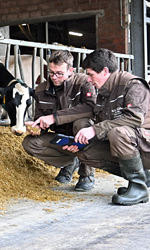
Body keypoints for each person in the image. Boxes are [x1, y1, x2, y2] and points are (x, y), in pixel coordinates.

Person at [67, 48, 150, 205]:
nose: (89, 80)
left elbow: (134, 119)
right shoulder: (104, 93)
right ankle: (140, 176)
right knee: (85, 152)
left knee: (118, 133)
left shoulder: (133, 85)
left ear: (105, 71)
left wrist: (93, 130)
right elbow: (101, 124)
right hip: (137, 144)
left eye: (91, 74)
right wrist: (80, 142)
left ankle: (139, 189)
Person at [22, 50, 97, 191]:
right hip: (61, 138)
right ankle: (70, 161)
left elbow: (90, 108)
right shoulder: (41, 90)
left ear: (70, 70)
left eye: (59, 74)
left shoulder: (83, 82)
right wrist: (36, 127)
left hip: (81, 134)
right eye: (51, 73)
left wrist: (55, 118)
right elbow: (40, 117)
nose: (54, 77)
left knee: (81, 124)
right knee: (30, 143)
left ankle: (87, 174)